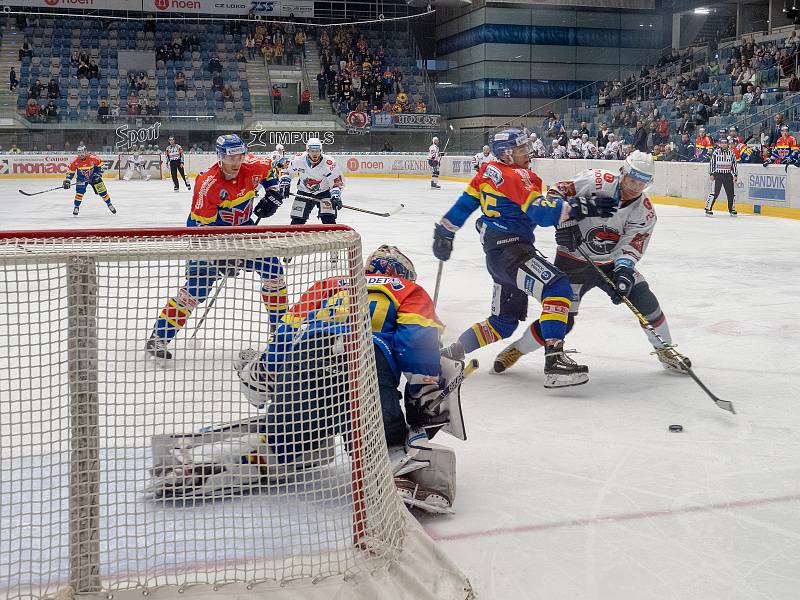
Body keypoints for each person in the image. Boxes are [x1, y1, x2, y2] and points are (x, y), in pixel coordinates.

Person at [151, 247, 465, 513]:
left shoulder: (330, 282)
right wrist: (424, 384)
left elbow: (288, 327)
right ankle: (399, 468)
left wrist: (271, 369)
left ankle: (213, 465)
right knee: (383, 438)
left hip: (304, 358)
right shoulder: (408, 290)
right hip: (365, 361)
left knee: (284, 440)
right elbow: (416, 338)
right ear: (405, 274)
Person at [432, 128, 618, 388]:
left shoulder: (486, 172)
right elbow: (541, 215)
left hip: (497, 257)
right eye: (521, 150)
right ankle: (554, 362)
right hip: (514, 252)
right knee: (558, 287)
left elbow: (464, 206)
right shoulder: (519, 175)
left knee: (502, 323)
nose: (528, 154)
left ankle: (451, 354)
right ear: (507, 154)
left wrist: (443, 233)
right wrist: (580, 207)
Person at [492, 151, 691, 377]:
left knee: (646, 302)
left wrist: (624, 272)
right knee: (562, 320)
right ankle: (516, 350)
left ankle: (665, 350)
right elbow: (556, 192)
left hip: (610, 265)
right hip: (572, 262)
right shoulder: (595, 180)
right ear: (623, 173)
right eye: (632, 179)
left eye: (642, 183)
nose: (634, 187)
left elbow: (632, 245)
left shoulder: (645, 212)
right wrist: (564, 223)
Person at [144, 134, 286, 360]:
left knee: (274, 272)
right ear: (219, 157)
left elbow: (271, 172)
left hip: (244, 231)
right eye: (230, 158)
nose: (236, 163)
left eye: (239, 156)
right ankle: (159, 336)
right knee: (198, 288)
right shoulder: (208, 183)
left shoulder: (253, 164)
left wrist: (274, 192)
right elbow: (202, 228)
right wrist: (221, 256)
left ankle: (281, 332)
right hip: (207, 238)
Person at [282, 137, 344, 225]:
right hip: (304, 192)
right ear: (307, 150)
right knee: (297, 221)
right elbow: (286, 170)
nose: (315, 153)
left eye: (317, 151)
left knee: (328, 220)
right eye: (312, 151)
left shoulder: (329, 163)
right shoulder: (297, 159)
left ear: (321, 150)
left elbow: (337, 181)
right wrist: (285, 181)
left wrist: (336, 194)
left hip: (324, 193)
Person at [63, 145, 115, 216]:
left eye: (82, 152)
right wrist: (68, 180)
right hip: (82, 179)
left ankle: (109, 204)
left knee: (103, 192)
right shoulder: (75, 161)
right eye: (79, 152)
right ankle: (76, 207)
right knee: (79, 193)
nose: (81, 154)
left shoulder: (92, 158)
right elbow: (71, 172)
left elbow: (102, 165)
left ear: (86, 152)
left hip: (94, 177)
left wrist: (98, 174)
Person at [705, 136, 738, 216]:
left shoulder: (731, 153)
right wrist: (711, 173)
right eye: (722, 143)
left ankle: (732, 209)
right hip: (718, 175)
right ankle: (708, 208)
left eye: (725, 143)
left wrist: (735, 174)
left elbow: (734, 164)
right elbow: (712, 163)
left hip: (728, 175)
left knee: (731, 193)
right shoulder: (716, 152)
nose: (724, 145)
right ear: (719, 144)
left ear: (728, 144)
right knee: (714, 193)